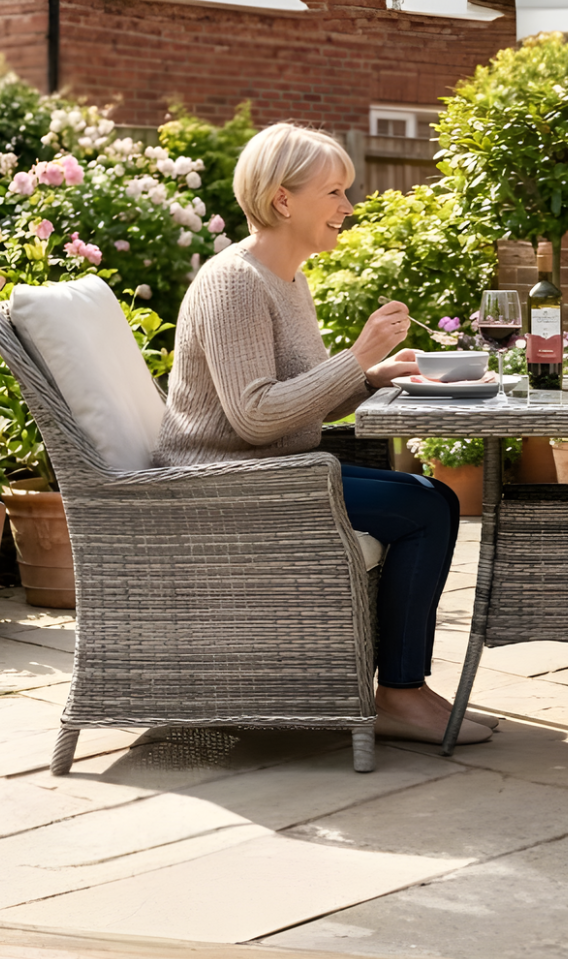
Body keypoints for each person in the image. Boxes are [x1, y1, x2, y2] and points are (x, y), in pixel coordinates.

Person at [154, 122, 494, 745]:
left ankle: (405, 685)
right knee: (423, 507)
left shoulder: (286, 276)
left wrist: (371, 376)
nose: (348, 207)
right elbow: (254, 416)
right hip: (223, 484)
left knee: (436, 498)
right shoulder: (235, 282)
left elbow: (294, 403)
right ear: (284, 200)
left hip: (274, 468)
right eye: (335, 192)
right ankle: (399, 693)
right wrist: (359, 354)